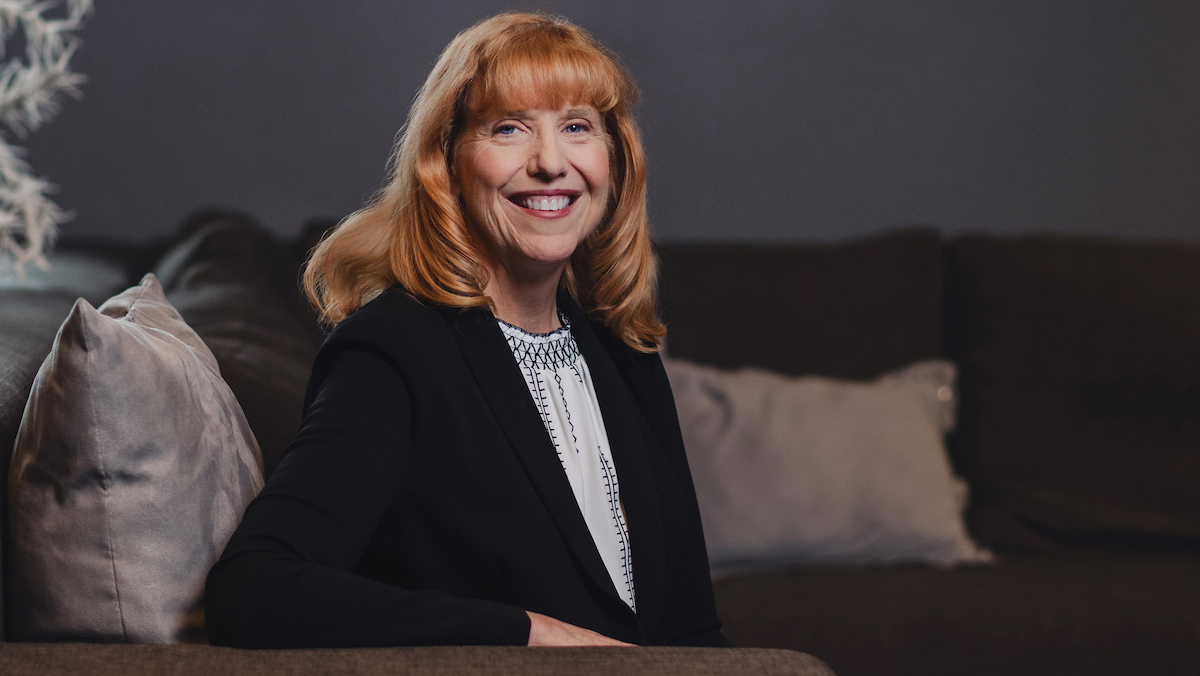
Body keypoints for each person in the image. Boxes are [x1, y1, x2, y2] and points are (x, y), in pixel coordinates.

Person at [205, 12, 729, 648]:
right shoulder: (394, 351)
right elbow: (254, 590)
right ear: (446, 163)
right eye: (509, 128)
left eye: (576, 127)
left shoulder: (624, 350)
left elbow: (692, 629)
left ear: (613, 160)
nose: (551, 162)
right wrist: (524, 632)